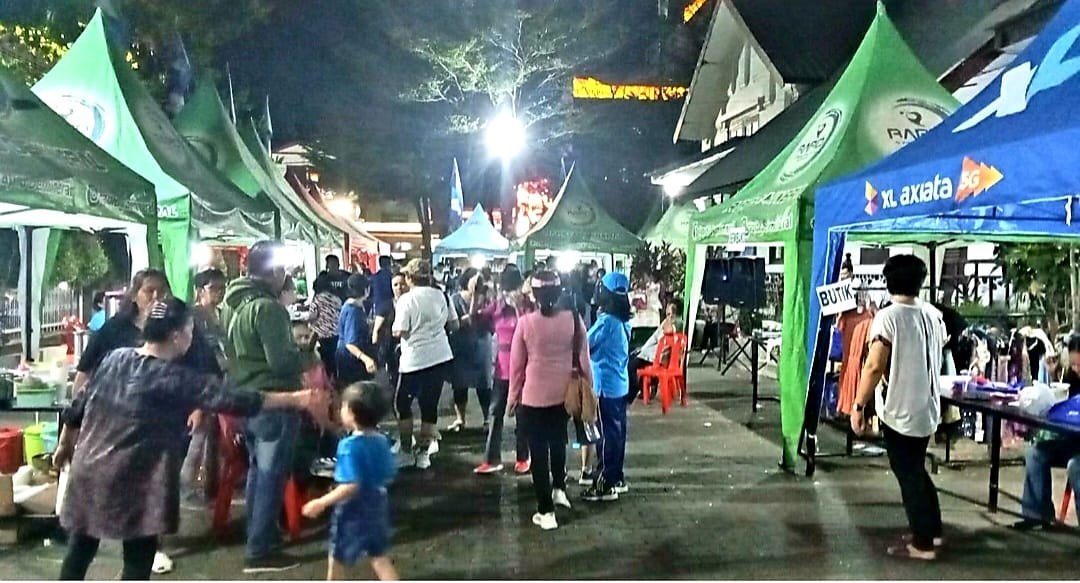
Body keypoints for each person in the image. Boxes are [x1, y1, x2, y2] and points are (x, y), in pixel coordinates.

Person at [53, 297, 323, 581]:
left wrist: (64, 445)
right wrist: (297, 399)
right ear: (176, 336)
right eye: (190, 330)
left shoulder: (114, 359)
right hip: (135, 481)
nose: (192, 337)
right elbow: (236, 399)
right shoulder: (171, 377)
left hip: (89, 471)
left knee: (79, 551)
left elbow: (79, 405)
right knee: (137, 561)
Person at [220, 240, 311, 573]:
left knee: (259, 472)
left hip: (246, 398)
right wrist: (307, 353)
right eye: (282, 269)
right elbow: (281, 362)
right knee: (271, 475)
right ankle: (260, 550)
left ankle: (260, 534)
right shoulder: (268, 308)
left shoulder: (231, 303)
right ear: (273, 271)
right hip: (274, 399)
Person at [850, 255, 946, 561]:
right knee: (916, 468)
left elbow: (874, 365)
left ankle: (923, 544)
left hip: (900, 409)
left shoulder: (888, 317)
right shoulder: (932, 314)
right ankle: (932, 529)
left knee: (908, 474)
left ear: (889, 281)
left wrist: (858, 405)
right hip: (928, 408)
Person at [508, 270, 592, 530]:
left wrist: (512, 398)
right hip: (563, 395)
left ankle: (546, 512)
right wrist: (589, 390)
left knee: (538, 452)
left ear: (534, 294)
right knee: (558, 441)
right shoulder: (573, 319)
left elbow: (516, 367)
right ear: (559, 292)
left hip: (533, 397)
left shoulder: (525, 323)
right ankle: (559, 490)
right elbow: (584, 360)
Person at [302, 382, 399, 581]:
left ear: (352, 413)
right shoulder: (382, 441)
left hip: (353, 510)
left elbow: (351, 485)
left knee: (337, 556)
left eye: (343, 406)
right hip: (378, 504)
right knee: (378, 556)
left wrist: (322, 502)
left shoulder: (348, 446)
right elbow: (389, 473)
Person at [392, 259, 457, 469]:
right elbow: (454, 324)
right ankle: (423, 454)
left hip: (414, 359)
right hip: (439, 357)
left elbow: (400, 330)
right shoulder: (441, 295)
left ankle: (405, 450)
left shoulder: (406, 299)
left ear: (410, 278)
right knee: (429, 406)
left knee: (402, 404)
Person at [1012, 335, 1080, 531]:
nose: (1076, 369)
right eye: (1073, 364)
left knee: (1076, 466)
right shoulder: (1073, 378)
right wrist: (1053, 374)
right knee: (1035, 453)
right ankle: (1037, 515)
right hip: (1072, 439)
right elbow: (1064, 407)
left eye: (1079, 365)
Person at [474, 269, 531, 475]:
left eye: (512, 289)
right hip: (502, 369)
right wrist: (477, 295)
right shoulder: (497, 307)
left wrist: (517, 308)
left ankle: (523, 457)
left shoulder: (528, 307)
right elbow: (476, 321)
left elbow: (530, 331)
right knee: (495, 413)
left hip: (524, 369)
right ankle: (492, 459)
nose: (509, 294)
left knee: (523, 415)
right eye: (506, 289)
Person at [583, 272, 633, 503]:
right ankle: (617, 478)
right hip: (620, 385)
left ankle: (604, 484)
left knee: (606, 438)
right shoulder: (624, 321)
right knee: (617, 435)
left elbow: (585, 343)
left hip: (605, 386)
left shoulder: (607, 322)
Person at [181, 268, 229, 507]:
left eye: (222, 288)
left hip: (219, 380)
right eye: (214, 288)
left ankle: (210, 487)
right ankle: (185, 489)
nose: (219, 293)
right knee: (198, 438)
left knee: (212, 438)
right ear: (200, 290)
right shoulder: (193, 317)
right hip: (199, 382)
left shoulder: (219, 314)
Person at [447, 268, 493, 433]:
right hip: (461, 346)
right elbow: (456, 322)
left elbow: (490, 323)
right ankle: (460, 419)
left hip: (481, 345)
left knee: (484, 385)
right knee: (460, 385)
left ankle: (487, 419)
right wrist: (473, 299)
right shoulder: (455, 299)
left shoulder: (487, 298)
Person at [630, 298, 684, 402]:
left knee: (632, 366)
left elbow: (663, 339)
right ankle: (649, 386)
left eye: (668, 307)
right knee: (636, 358)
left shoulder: (672, 323)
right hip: (656, 355)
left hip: (659, 357)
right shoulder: (674, 322)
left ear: (673, 311)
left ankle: (638, 390)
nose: (666, 309)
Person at [337, 274, 378, 386]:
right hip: (351, 361)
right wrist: (366, 359)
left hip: (346, 358)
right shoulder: (353, 311)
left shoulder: (351, 305)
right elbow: (350, 344)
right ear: (365, 289)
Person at [373, 273, 408, 390]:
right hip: (390, 349)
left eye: (402, 284)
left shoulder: (413, 303)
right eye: (395, 285)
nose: (399, 288)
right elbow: (376, 330)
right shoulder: (386, 306)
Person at [310, 275, 345, 379]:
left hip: (322, 335)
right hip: (336, 333)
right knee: (334, 359)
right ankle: (336, 378)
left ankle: (328, 380)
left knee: (325, 361)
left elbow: (313, 315)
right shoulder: (336, 298)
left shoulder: (317, 299)